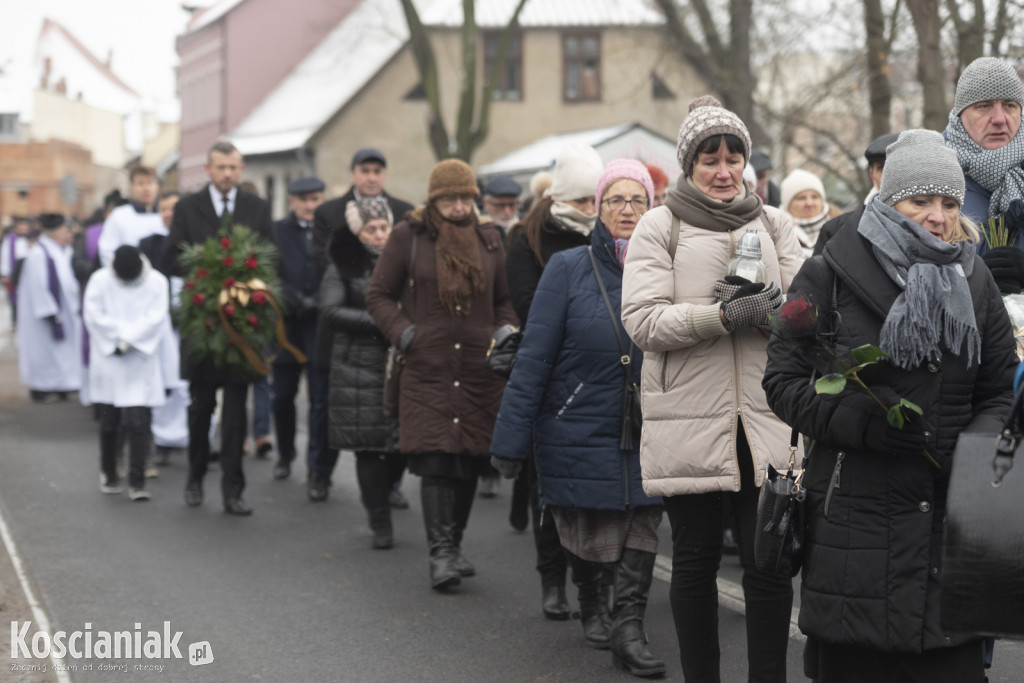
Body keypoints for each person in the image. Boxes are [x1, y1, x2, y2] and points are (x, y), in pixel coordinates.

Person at [763, 129, 1016, 683]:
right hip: (855, 532)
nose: (937, 215)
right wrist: (862, 422)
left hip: (948, 527)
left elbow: (999, 390)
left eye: (949, 202)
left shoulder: (975, 279)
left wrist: (974, 450)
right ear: (888, 198)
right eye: (921, 200)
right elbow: (782, 379)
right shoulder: (829, 271)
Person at [620, 95, 804, 681]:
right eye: (710, 159)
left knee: (769, 567)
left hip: (767, 420)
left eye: (733, 158)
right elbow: (643, 321)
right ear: (688, 164)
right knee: (696, 565)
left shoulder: (776, 223)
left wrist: (777, 314)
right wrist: (720, 316)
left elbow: (814, 317)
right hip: (688, 421)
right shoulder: (660, 225)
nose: (724, 171)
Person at [492, 159, 665, 677]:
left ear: (652, 208)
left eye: (638, 200)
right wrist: (509, 440)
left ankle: (629, 628)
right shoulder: (566, 269)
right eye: (615, 199)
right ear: (596, 207)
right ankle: (593, 602)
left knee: (643, 520)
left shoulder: (665, 266)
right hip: (577, 422)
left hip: (650, 422)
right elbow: (535, 358)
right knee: (591, 525)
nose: (627, 209)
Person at [366, 158, 517, 591]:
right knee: (435, 459)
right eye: (448, 198)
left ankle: (454, 543)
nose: (457, 206)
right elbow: (378, 295)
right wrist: (405, 334)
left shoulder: (489, 240)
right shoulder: (408, 237)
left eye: (464, 197)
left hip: (477, 367)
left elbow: (504, 299)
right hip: (427, 366)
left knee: (469, 458)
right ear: (433, 200)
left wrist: (504, 334)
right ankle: (441, 553)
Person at [502, 142, 604, 621]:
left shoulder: (609, 235)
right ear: (563, 196)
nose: (590, 211)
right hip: (553, 372)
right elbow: (527, 307)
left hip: (600, 373)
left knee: (591, 490)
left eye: (594, 201)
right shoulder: (528, 238)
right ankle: (551, 579)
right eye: (582, 201)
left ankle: (594, 585)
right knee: (548, 485)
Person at [160, 140, 274, 516]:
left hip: (242, 322)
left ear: (241, 171)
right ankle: (195, 477)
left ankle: (233, 490)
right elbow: (171, 257)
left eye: (234, 167)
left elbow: (269, 257)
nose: (228, 174)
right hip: (203, 320)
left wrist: (247, 284)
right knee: (201, 406)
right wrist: (207, 271)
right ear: (207, 170)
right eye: (221, 167)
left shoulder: (255, 207)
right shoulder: (189, 208)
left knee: (237, 409)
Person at [307, 147, 414, 503]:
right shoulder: (329, 212)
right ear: (354, 173)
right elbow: (323, 265)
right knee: (329, 406)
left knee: (392, 411)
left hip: (392, 337)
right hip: (345, 332)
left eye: (377, 171)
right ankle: (320, 472)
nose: (371, 177)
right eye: (364, 170)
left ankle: (392, 486)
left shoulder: (404, 212)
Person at [321, 196, 405, 549]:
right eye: (371, 229)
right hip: (358, 364)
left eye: (384, 227)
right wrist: (382, 322)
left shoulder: (405, 259)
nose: (379, 234)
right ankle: (378, 516)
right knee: (369, 445)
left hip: (401, 361)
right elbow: (331, 309)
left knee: (403, 443)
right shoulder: (343, 264)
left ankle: (387, 491)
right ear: (358, 232)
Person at [83, 245, 173, 501]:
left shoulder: (156, 282)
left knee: (138, 422)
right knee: (109, 422)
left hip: (138, 360)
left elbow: (156, 317)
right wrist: (116, 340)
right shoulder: (100, 280)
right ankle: (109, 472)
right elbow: (93, 314)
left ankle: (137, 480)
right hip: (110, 359)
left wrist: (128, 340)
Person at [943, 57, 1024, 294]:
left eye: (1009, 105)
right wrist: (974, 277)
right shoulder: (932, 178)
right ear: (960, 114)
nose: (999, 119)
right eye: (984, 106)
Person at [270, 176, 326, 481]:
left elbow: (336, 269)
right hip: (286, 329)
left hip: (318, 327)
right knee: (282, 396)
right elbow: (270, 272)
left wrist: (318, 300)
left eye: (315, 199)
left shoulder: (329, 230)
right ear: (291, 201)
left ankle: (316, 464)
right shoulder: (277, 231)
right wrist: (294, 298)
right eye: (303, 200)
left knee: (319, 399)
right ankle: (285, 451)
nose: (309, 206)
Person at [139, 192, 188, 466]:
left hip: (190, 322)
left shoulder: (192, 239)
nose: (169, 213)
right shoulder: (148, 244)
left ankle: (196, 437)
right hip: (160, 325)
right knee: (165, 380)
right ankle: (164, 440)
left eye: (174, 208)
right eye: (164, 208)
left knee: (191, 383)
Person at [16, 213, 83, 403]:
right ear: (54, 232)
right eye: (64, 230)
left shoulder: (58, 250)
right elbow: (38, 284)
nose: (67, 233)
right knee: (43, 353)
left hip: (64, 311)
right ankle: (40, 388)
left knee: (61, 354)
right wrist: (50, 311)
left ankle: (61, 386)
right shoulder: (39, 252)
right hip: (46, 315)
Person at [813, 132, 899, 256]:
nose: (889, 174)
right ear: (872, 175)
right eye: (881, 167)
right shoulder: (837, 230)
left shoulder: (933, 223)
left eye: (896, 166)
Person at [97, 165, 163, 267]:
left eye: (150, 183)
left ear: (157, 187)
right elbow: (107, 250)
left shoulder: (166, 216)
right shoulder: (119, 215)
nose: (146, 188)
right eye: (140, 183)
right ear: (131, 187)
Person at [781, 168, 831, 255]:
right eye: (801, 198)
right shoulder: (778, 231)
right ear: (787, 204)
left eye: (815, 197)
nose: (809, 203)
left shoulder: (840, 226)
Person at [1, 217, 32, 326]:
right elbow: (5, 255)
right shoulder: (10, 239)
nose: (24, 229)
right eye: (21, 227)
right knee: (14, 298)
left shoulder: (31, 239)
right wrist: (5, 274)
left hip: (27, 273)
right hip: (14, 273)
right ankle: (15, 320)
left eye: (25, 227)